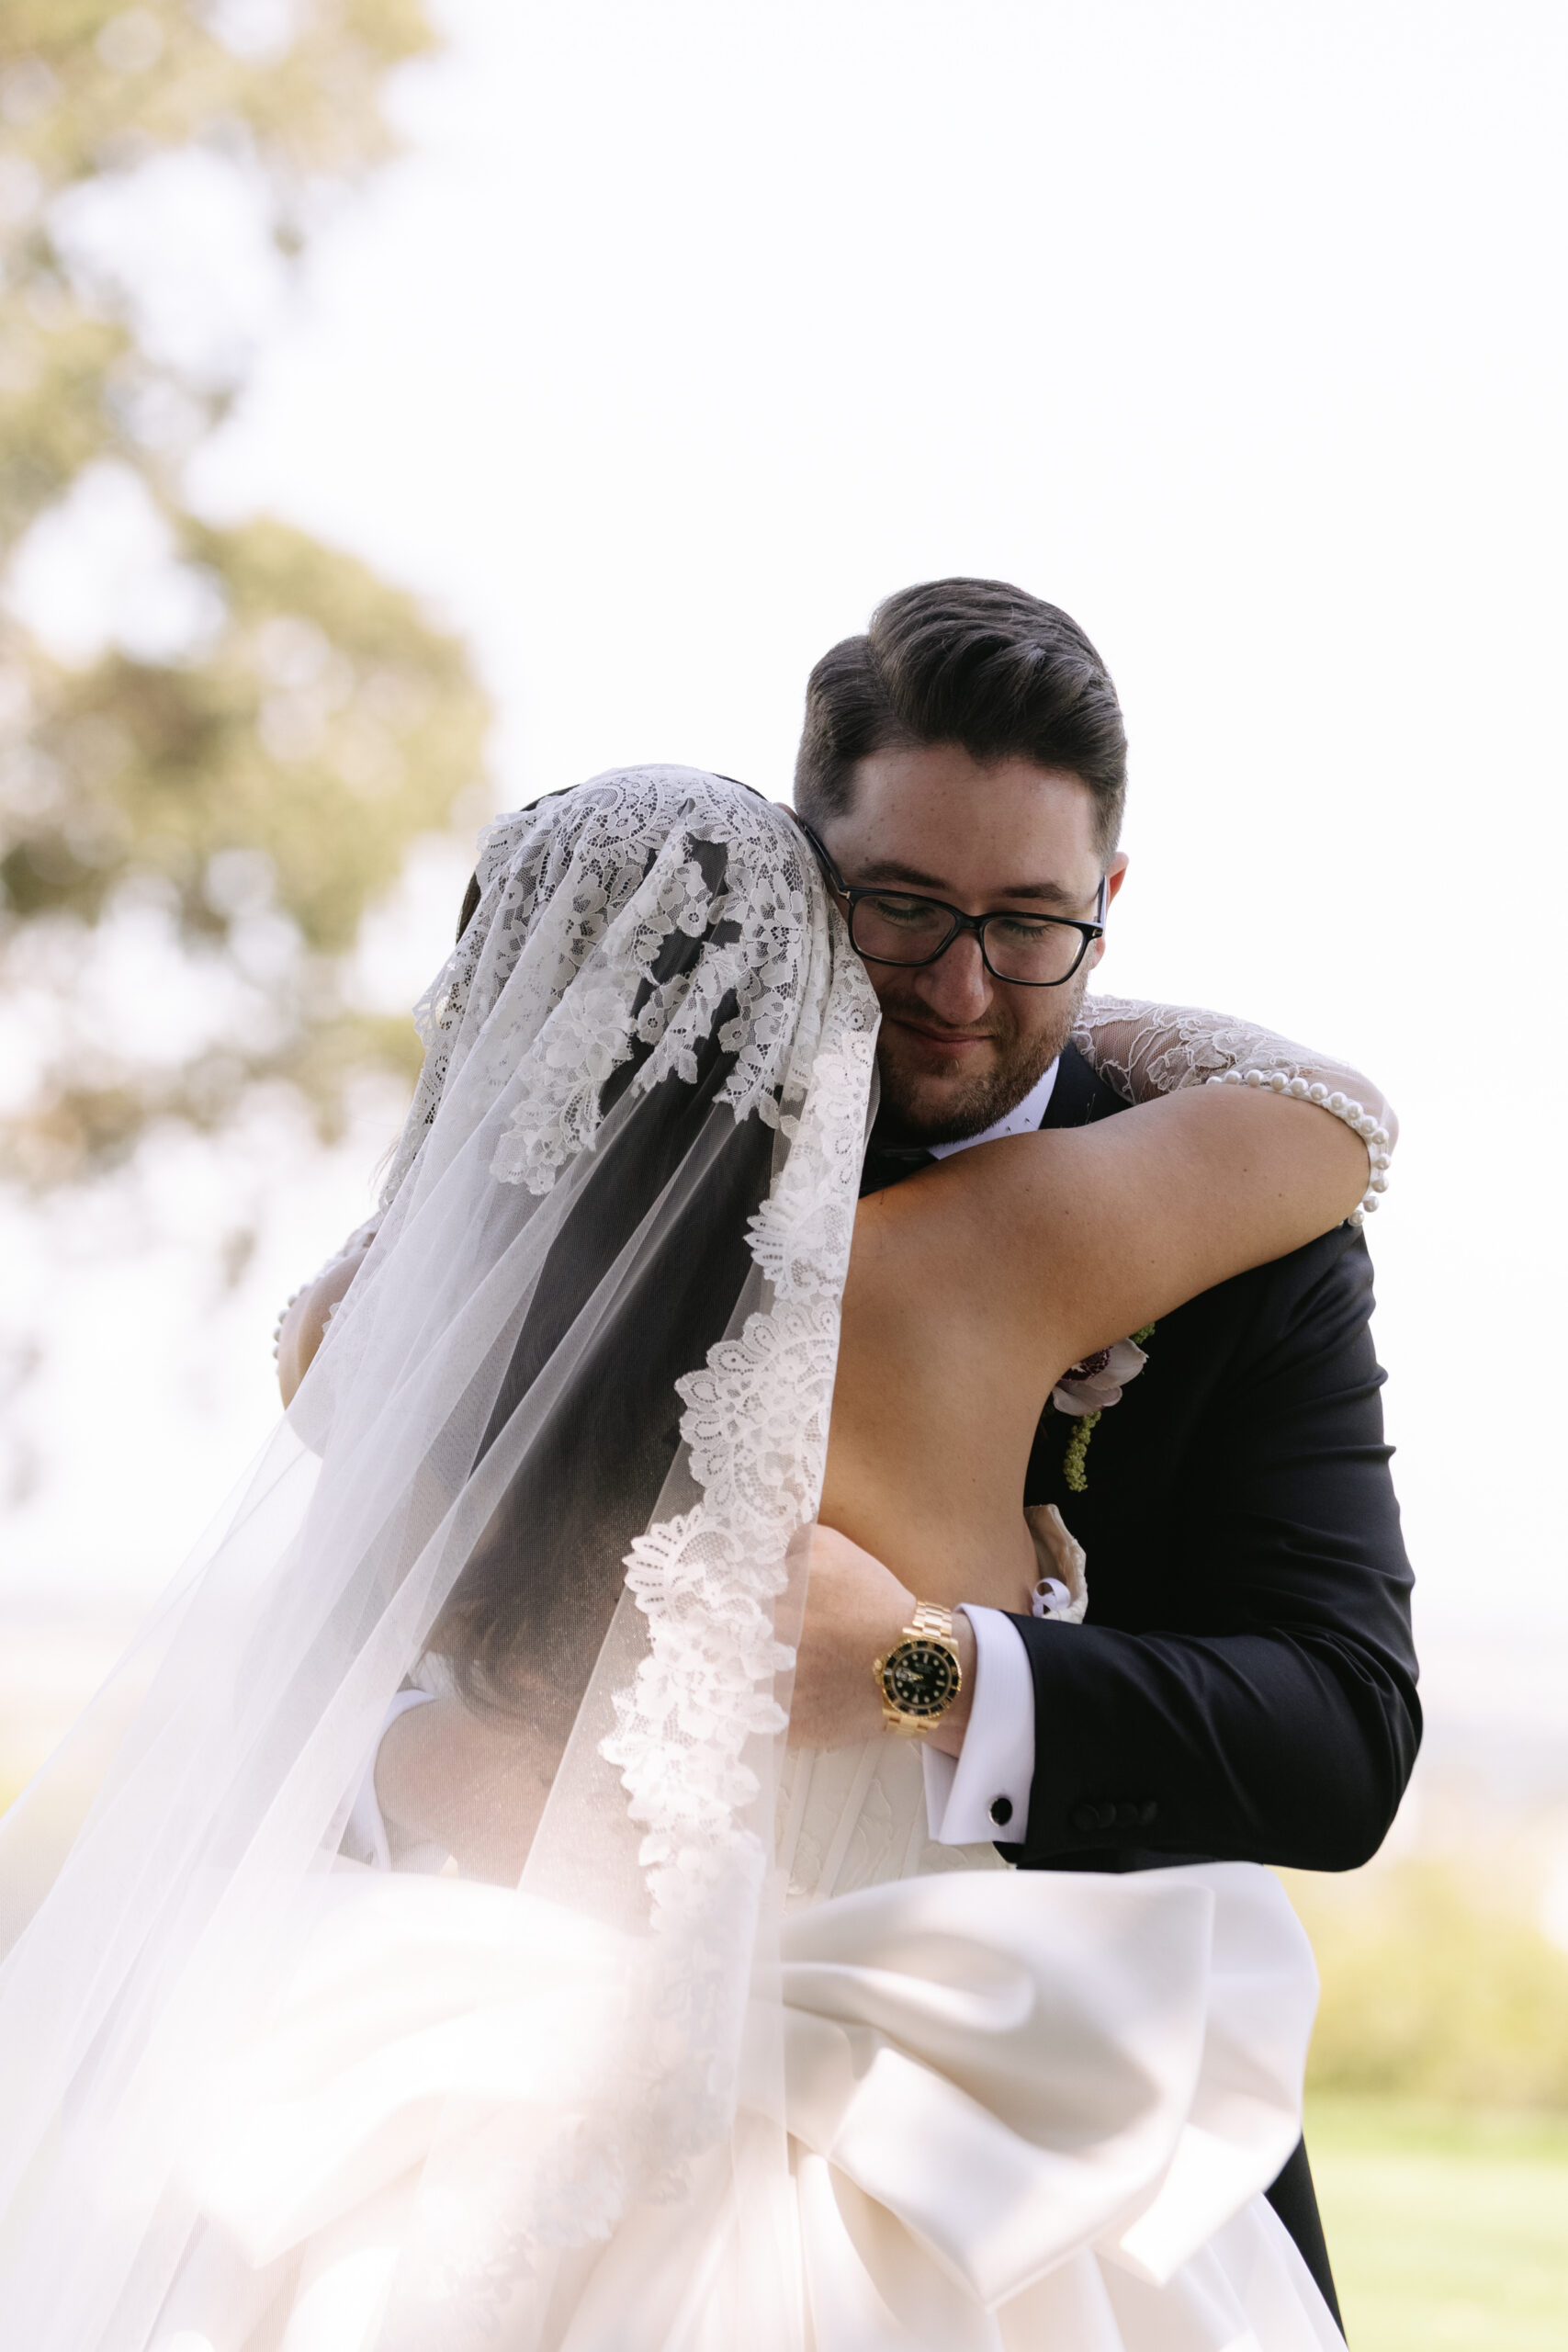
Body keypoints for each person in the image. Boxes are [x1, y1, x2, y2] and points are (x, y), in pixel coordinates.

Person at [0, 760, 1394, 2344]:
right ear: (810, 993)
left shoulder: (371, 1343)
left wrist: (427, 1760)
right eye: (890, 924)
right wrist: (1077, 987)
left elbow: (375, 1688)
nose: (946, 982)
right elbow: (1335, 1123)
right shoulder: (975, 1276)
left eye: (1015, 924)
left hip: (466, 2087)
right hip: (926, 2149)